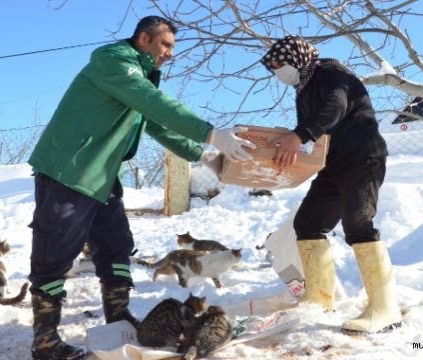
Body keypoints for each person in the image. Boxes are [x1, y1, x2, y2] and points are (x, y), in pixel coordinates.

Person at [26, 16, 254, 360]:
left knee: (116, 245)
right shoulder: (114, 63)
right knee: (54, 255)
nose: (170, 53)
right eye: (166, 45)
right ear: (144, 39)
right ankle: (45, 343)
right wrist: (210, 132)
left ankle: (118, 318)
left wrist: (202, 154)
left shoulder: (139, 80)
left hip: (101, 177)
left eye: (172, 47)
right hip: (68, 171)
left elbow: (156, 121)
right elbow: (154, 103)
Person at [260, 35, 401, 334]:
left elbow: (335, 106)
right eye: (273, 68)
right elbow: (315, 137)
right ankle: (320, 298)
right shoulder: (302, 89)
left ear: (296, 57)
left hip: (363, 155)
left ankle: (385, 309)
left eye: (280, 65)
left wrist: (297, 135)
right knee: (308, 223)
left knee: (358, 223)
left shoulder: (330, 72)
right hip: (333, 163)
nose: (278, 73)